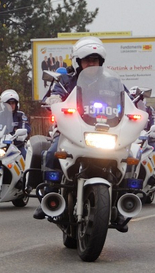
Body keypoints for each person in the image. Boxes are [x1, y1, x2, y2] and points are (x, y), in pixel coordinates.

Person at [35, 36, 107, 220]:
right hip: (71, 131)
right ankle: (50, 196)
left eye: (95, 59)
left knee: (128, 156)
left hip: (103, 133)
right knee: (52, 153)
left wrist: (133, 106)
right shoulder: (67, 80)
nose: (91, 63)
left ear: (101, 61)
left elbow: (126, 98)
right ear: (79, 62)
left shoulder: (110, 82)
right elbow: (56, 92)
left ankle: (125, 198)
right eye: (87, 60)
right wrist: (55, 99)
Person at [0, 89, 30, 157]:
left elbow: (25, 127)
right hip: (0, 146)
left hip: (17, 146)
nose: (11, 105)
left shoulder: (21, 115)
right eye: (9, 103)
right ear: (4, 104)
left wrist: (21, 135)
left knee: (24, 158)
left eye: (13, 103)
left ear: (16, 104)